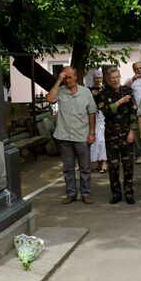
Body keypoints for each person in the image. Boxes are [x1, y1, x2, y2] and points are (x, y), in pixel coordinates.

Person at [47, 66, 97, 205]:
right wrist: (59, 80)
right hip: (64, 136)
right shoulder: (60, 91)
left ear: (76, 76)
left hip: (82, 135)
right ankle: (71, 193)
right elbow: (50, 99)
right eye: (65, 77)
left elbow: (92, 113)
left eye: (70, 77)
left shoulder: (86, 92)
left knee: (85, 167)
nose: (67, 80)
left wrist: (92, 133)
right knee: (68, 168)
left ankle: (86, 193)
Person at [99, 67, 140, 204]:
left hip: (126, 134)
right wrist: (120, 102)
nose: (116, 80)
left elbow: (134, 113)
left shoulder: (127, 91)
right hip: (111, 135)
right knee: (113, 166)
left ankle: (129, 193)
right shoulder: (104, 94)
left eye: (117, 77)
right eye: (113, 78)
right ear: (108, 80)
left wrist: (132, 131)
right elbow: (105, 111)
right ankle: (116, 193)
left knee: (128, 166)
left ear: (120, 76)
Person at [89, 70, 107, 173]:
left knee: (102, 139)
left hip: (102, 116)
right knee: (96, 140)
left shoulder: (105, 89)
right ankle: (99, 163)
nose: (98, 79)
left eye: (100, 78)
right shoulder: (89, 89)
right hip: (93, 116)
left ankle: (104, 162)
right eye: (97, 78)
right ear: (94, 78)